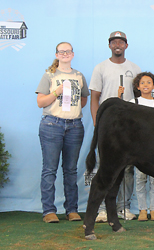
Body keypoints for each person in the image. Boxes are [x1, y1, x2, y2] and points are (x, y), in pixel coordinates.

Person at [89, 31, 141, 222]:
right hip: (107, 125)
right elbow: (95, 97)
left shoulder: (134, 68)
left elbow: (138, 97)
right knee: (106, 166)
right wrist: (97, 122)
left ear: (126, 45)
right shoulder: (100, 68)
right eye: (114, 42)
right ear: (109, 45)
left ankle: (123, 208)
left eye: (121, 41)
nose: (117, 44)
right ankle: (102, 209)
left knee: (127, 167)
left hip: (128, 125)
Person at [36, 42, 89, 223]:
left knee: (71, 170)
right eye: (62, 51)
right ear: (57, 55)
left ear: (73, 54)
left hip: (74, 126)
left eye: (68, 51)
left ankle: (72, 209)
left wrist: (71, 109)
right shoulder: (49, 74)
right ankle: (49, 211)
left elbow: (83, 100)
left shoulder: (79, 75)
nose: (65, 53)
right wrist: (57, 93)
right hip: (52, 125)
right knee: (49, 169)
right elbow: (40, 102)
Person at [118, 72, 154, 221]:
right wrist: (119, 98)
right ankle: (142, 210)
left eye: (148, 82)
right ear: (137, 86)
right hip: (139, 149)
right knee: (140, 179)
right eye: (142, 83)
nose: (145, 85)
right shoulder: (133, 102)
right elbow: (125, 121)